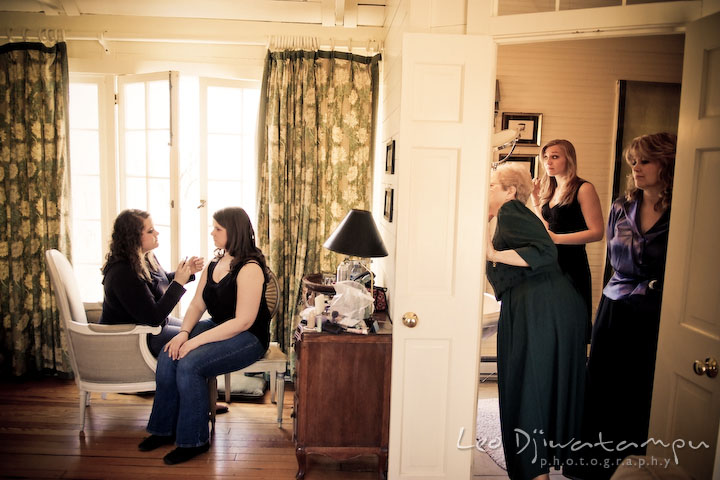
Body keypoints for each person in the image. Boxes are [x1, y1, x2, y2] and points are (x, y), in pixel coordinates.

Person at [567, 133, 676, 479]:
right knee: (602, 386)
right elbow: (613, 261)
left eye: (644, 161)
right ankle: (591, 466)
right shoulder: (620, 207)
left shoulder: (683, 210)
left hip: (657, 311)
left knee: (641, 389)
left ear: (666, 163)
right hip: (614, 307)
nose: (636, 169)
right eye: (633, 162)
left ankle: (633, 468)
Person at [137, 207, 271, 465]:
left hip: (248, 337)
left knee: (190, 364)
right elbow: (197, 304)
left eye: (217, 229)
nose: (212, 232)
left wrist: (194, 341)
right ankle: (164, 430)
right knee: (170, 351)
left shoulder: (250, 268)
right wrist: (184, 333)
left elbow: (243, 321)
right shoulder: (214, 264)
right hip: (220, 325)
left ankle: (194, 440)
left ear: (234, 232)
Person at [485, 163, 587, 480]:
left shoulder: (512, 211)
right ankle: (537, 469)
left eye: (491, 185)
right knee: (535, 384)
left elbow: (544, 252)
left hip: (542, 307)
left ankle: (534, 472)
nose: (486, 191)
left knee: (528, 386)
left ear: (510, 191)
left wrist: (491, 253)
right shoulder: (511, 213)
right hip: (545, 304)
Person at [99, 209, 204, 356]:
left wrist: (187, 272)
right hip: (134, 339)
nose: (157, 233)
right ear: (133, 238)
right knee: (201, 340)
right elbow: (154, 318)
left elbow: (159, 283)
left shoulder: (144, 256)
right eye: (150, 231)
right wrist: (178, 283)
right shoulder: (123, 273)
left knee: (200, 329)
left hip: (151, 329)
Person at [530, 139, 604, 341]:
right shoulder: (550, 189)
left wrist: (557, 239)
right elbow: (547, 229)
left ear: (568, 159)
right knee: (550, 325)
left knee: (569, 325)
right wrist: (536, 201)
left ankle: (571, 371)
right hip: (549, 264)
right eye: (545, 157)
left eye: (555, 156)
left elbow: (597, 232)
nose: (548, 162)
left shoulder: (584, 188)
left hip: (572, 265)